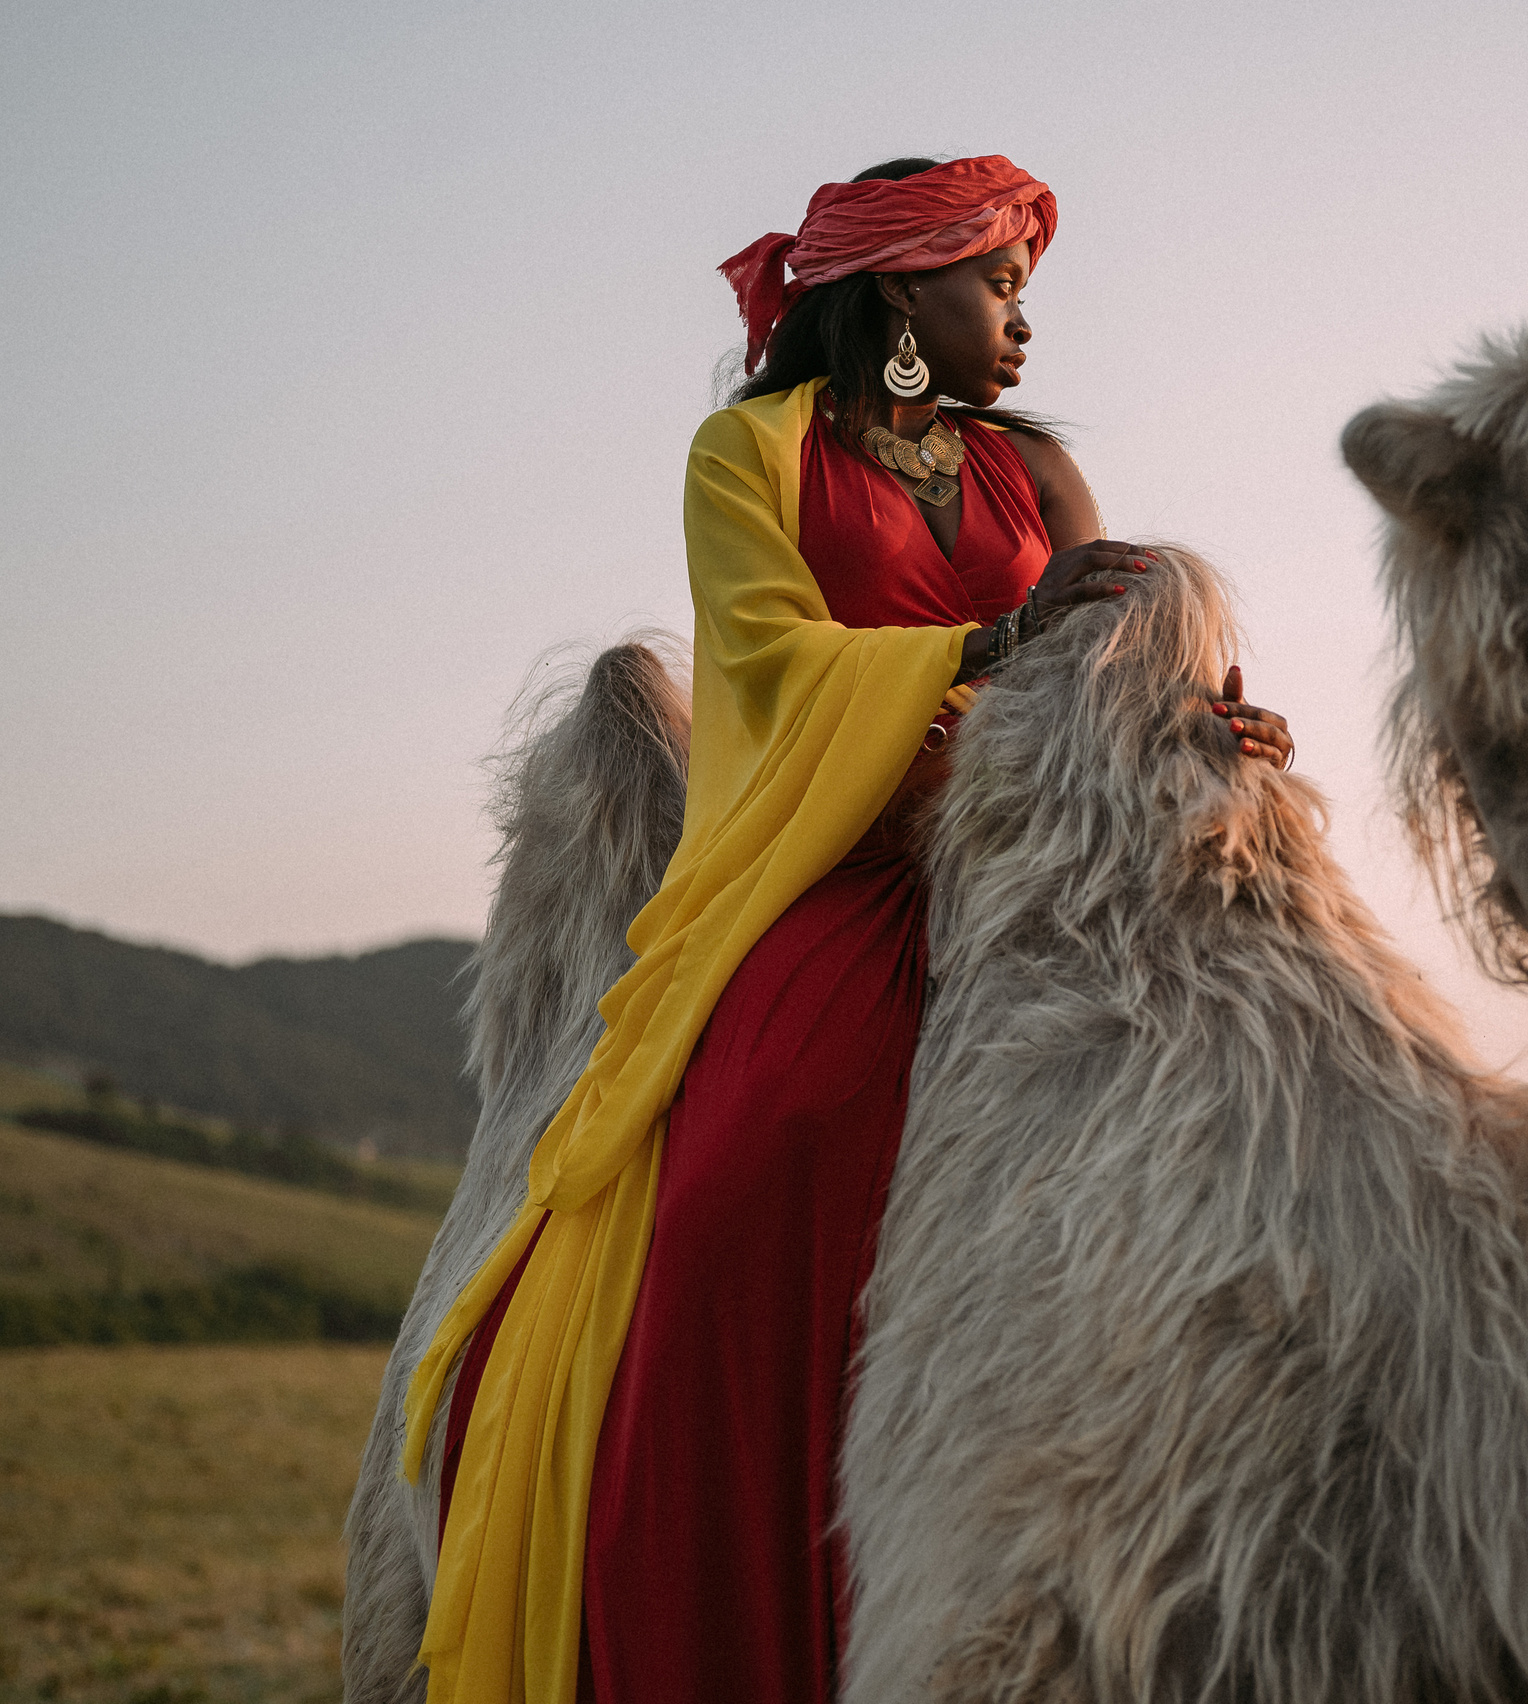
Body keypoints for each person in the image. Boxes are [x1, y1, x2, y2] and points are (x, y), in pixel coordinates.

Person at [400, 155, 1292, 1704]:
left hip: (1027, 867)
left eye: (1023, 294)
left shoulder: (1037, 475)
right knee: (775, 1139)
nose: (1022, 326)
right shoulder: (746, 454)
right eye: (997, 287)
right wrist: (989, 637)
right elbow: (768, 660)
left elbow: (1101, 638)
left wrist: (1199, 719)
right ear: (900, 291)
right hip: (830, 879)